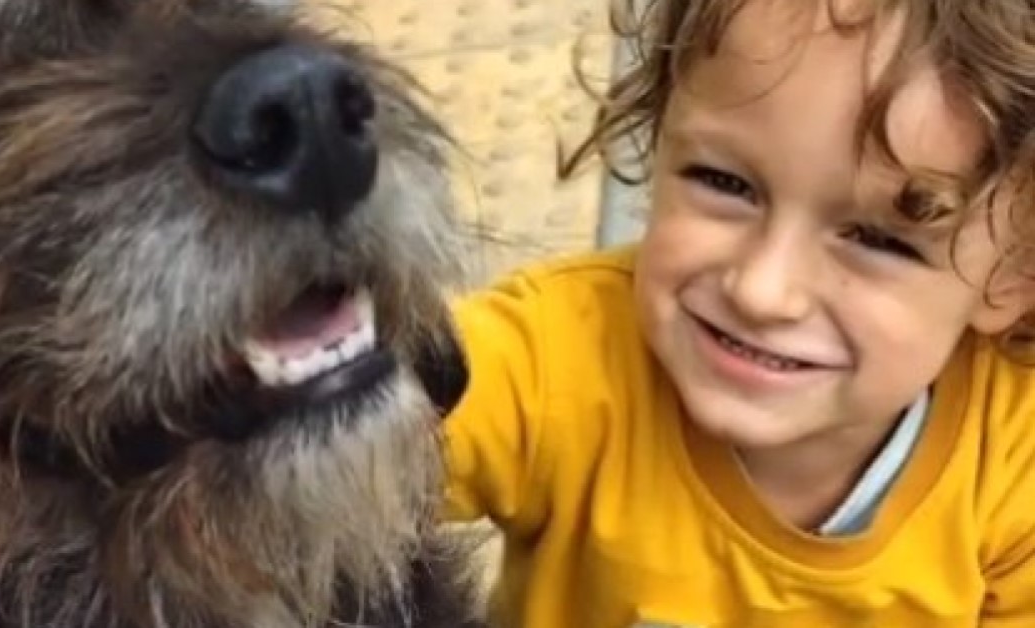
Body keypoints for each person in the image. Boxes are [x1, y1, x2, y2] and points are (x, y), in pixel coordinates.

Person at [440, 0, 1035, 626]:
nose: (762, 291)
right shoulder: (553, 363)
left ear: (1014, 274)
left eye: (879, 240)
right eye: (723, 183)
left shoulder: (1013, 469)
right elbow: (369, 443)